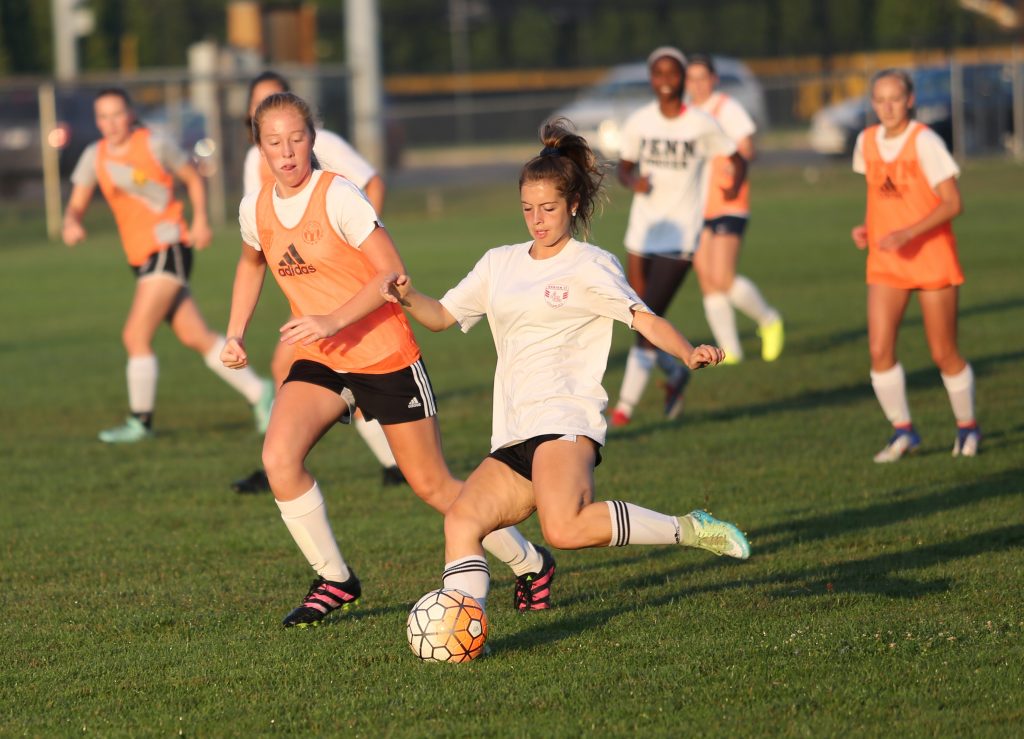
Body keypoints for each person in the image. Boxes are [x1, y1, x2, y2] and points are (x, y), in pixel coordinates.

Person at [381, 120, 750, 625]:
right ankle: (463, 629)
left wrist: (686, 352)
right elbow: (442, 316)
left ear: (573, 205)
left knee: (565, 528)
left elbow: (643, 317)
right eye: (528, 209)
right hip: (513, 430)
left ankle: (688, 528)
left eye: (548, 208)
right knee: (462, 520)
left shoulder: (590, 265)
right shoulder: (499, 263)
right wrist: (406, 298)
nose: (537, 219)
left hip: (564, 420)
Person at [222, 91, 554, 627]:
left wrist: (330, 319)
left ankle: (532, 563)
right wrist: (235, 333)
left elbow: (392, 276)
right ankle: (335, 579)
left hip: (383, 355)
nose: (287, 153)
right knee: (278, 461)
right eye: (274, 142)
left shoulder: (338, 197)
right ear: (258, 147)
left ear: (314, 139)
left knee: (434, 487)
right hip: (321, 357)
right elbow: (250, 263)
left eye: (297, 139)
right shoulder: (255, 206)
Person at [62, 88, 273, 443]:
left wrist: (201, 219)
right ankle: (260, 391)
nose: (110, 123)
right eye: (103, 116)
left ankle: (140, 421)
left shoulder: (154, 144)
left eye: (117, 114)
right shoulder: (93, 155)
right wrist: (72, 221)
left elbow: (192, 177)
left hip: (169, 246)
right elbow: (77, 202)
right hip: (141, 256)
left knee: (135, 335)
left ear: (130, 114)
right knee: (197, 337)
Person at [232, 71, 402, 494]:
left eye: (274, 99)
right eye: (260, 105)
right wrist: (236, 333)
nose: (270, 111)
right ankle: (278, 464)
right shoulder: (256, 169)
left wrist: (363, 235)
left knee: (431, 481)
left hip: (351, 300)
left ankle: (393, 464)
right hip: (309, 304)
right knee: (287, 372)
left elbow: (372, 184)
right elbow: (255, 252)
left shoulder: (324, 160)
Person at [608, 46, 747, 427]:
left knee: (644, 316)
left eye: (672, 73)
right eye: (658, 73)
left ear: (683, 78)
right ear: (651, 79)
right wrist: (633, 180)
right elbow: (623, 167)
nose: (665, 80)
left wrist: (735, 182)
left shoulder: (700, 123)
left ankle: (623, 409)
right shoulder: (640, 121)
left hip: (681, 237)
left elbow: (736, 156)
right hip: (642, 233)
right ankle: (674, 372)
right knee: (636, 316)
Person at [851, 69, 980, 462]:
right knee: (879, 349)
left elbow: (953, 202)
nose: (887, 107)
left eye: (895, 98)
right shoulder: (866, 141)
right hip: (887, 260)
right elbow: (881, 197)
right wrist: (867, 228)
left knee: (943, 352)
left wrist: (907, 233)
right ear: (872, 103)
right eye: (879, 99)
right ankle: (903, 431)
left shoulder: (925, 141)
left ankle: (967, 427)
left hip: (931, 258)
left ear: (910, 100)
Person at [686, 53, 784, 365]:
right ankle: (731, 353)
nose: (697, 85)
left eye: (702, 78)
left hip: (728, 201)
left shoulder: (725, 108)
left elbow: (748, 147)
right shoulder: (687, 112)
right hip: (695, 206)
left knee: (723, 277)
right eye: (691, 78)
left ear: (713, 79)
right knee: (708, 280)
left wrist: (730, 167)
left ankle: (769, 319)